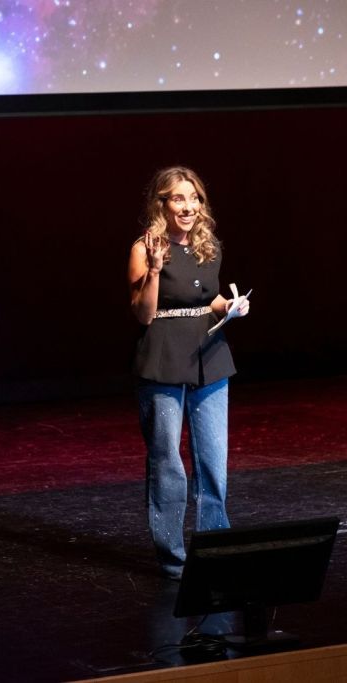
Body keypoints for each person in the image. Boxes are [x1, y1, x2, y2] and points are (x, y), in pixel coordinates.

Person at [127, 166, 250, 579]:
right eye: (179, 198)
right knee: (167, 461)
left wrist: (229, 307)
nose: (189, 206)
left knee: (213, 460)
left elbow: (207, 297)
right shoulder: (144, 249)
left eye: (194, 198)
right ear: (162, 204)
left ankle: (215, 547)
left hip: (209, 355)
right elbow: (144, 316)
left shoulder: (206, 246)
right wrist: (157, 269)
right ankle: (174, 556)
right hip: (163, 356)